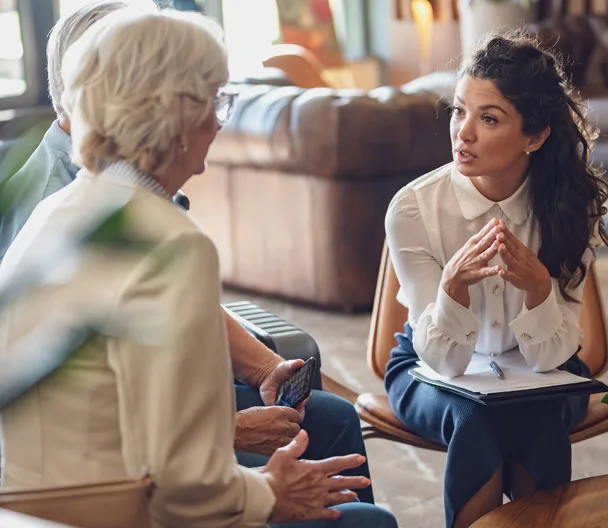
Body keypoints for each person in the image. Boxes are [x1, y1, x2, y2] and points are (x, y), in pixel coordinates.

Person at [0, 7, 396, 528]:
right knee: (374, 522)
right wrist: (271, 492)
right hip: (111, 508)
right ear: (178, 118)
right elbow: (188, 487)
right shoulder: (172, 243)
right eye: (217, 102)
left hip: (42, 504)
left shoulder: (66, 206)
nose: (218, 121)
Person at [383, 33, 608, 528]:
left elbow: (555, 357)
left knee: (537, 413)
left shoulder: (572, 208)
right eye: (459, 111)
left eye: (488, 119)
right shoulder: (412, 208)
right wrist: (451, 289)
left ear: (535, 137)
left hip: (546, 369)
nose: (462, 133)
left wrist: (538, 290)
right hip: (428, 365)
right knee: (478, 417)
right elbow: (443, 359)